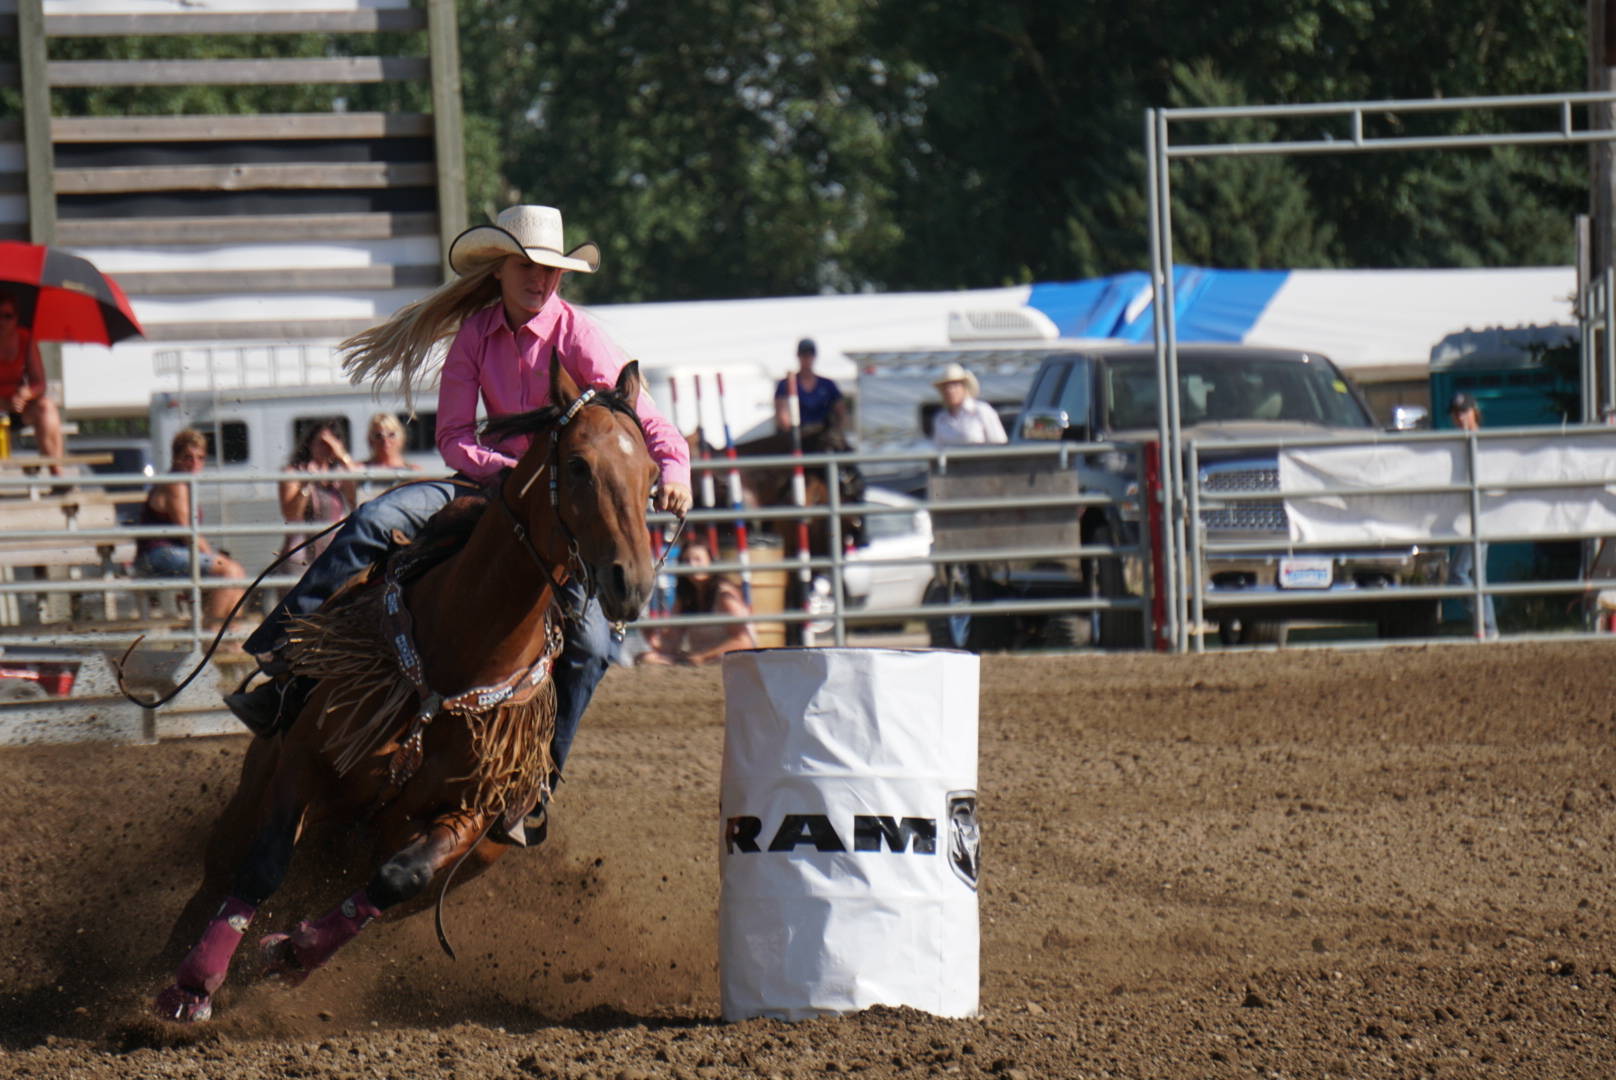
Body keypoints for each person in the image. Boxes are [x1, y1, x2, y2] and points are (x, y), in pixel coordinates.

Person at [225, 204, 693, 765]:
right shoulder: (475, 335)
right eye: (526, 266)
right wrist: (509, 474)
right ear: (498, 269)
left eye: (550, 270)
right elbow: (452, 435)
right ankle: (282, 667)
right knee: (374, 522)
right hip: (480, 486)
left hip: (558, 513)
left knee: (592, 646)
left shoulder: (579, 335)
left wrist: (676, 469)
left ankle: (543, 774)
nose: (539, 280)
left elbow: (644, 419)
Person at [135, 428, 248, 628]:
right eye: (188, 457)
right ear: (176, 458)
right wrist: (214, 557)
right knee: (229, 571)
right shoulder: (175, 484)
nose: (195, 463)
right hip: (157, 554)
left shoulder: (185, 484)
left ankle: (231, 638)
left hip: (174, 552)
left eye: (200, 458)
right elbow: (188, 532)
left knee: (236, 572)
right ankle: (209, 634)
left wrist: (215, 558)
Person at [637, 542, 755, 665]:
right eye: (687, 561)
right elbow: (671, 644)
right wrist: (651, 635)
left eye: (698, 559)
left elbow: (744, 641)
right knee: (646, 658)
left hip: (727, 660)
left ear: (710, 562)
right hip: (696, 659)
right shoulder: (685, 597)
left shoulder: (724, 595)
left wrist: (704, 656)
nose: (692, 565)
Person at [1447, 391, 1498, 639]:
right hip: (1469, 518)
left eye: (1464, 411)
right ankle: (1487, 629)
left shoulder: (1482, 441)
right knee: (1476, 576)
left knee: (1459, 574)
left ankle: (1486, 625)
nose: (1460, 417)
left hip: (1482, 516)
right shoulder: (1458, 444)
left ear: (1474, 412)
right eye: (1456, 413)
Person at [0, 293, 66, 477]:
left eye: (7, 316)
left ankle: (57, 473)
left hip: (19, 409)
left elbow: (39, 383)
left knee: (46, 407)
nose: (2, 322)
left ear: (16, 319)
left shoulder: (26, 340)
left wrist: (25, 394)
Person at [278, 420, 358, 568]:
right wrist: (307, 481)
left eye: (331, 443)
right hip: (300, 555)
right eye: (321, 442)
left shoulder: (340, 474)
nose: (326, 448)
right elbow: (291, 514)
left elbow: (357, 496)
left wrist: (342, 456)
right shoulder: (294, 472)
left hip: (335, 552)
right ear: (310, 443)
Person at [773, 337, 845, 431]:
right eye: (804, 355)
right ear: (798, 356)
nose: (807, 359)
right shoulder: (787, 384)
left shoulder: (827, 385)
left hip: (822, 433)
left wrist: (836, 430)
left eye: (810, 355)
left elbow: (840, 410)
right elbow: (782, 414)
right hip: (798, 434)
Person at [931, 362, 1007, 446]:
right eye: (946, 387)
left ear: (964, 387)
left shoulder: (982, 411)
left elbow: (999, 444)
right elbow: (938, 449)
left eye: (955, 385)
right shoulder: (941, 419)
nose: (950, 390)